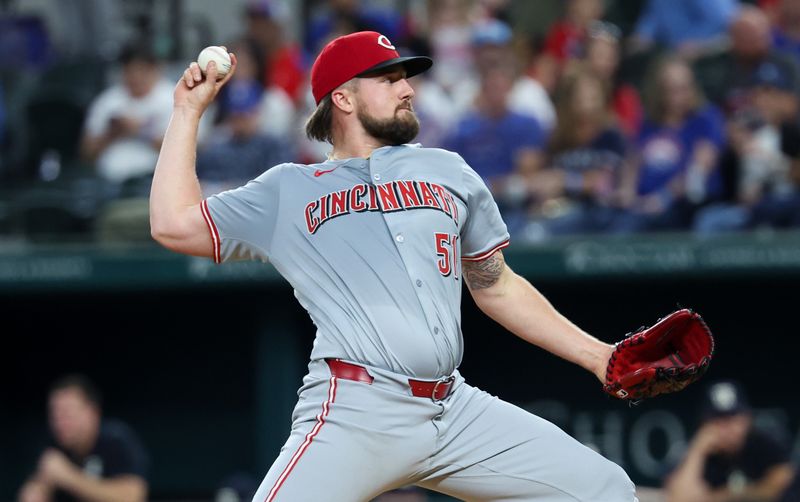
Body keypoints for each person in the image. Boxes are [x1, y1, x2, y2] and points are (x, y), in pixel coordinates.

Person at [149, 30, 637, 500]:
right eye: (387, 79)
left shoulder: (449, 170)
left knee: (604, 489)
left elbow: (496, 285)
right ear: (343, 98)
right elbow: (172, 224)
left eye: (405, 77)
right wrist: (187, 110)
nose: (407, 89)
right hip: (357, 410)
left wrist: (598, 356)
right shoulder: (289, 189)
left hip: (453, 408)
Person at [17, 374, 148, 502]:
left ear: (93, 413)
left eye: (67, 413)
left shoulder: (116, 439)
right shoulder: (52, 444)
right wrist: (36, 490)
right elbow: (33, 490)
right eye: (54, 415)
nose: (59, 423)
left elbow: (132, 497)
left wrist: (67, 476)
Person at [664, 380, 796, 502]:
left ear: (747, 419)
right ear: (704, 425)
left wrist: (722, 496)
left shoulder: (764, 442)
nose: (727, 428)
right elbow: (678, 498)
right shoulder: (703, 453)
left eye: (732, 418)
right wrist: (697, 450)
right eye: (718, 420)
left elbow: (776, 488)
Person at [80, 41, 173, 189]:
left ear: (155, 69)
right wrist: (113, 133)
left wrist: (140, 130)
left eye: (142, 70)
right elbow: (86, 152)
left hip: (154, 181)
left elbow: (190, 150)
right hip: (108, 181)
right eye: (130, 71)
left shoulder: (172, 98)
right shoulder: (108, 101)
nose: (136, 77)